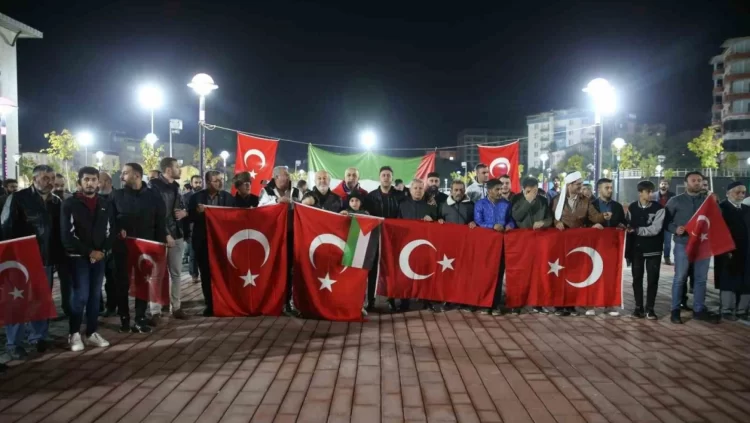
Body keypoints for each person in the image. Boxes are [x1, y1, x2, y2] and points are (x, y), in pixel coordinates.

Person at [1, 165, 62, 359]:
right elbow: (5, 227)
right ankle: (14, 343)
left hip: (46, 259)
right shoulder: (19, 199)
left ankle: (38, 336)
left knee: (41, 299)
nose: (49, 181)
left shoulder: (56, 202)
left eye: (52, 177)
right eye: (45, 177)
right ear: (34, 179)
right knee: (17, 300)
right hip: (21, 260)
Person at [61, 166, 115, 351]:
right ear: (79, 183)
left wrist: (102, 251)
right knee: (80, 296)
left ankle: (91, 332)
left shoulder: (104, 203)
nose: (90, 183)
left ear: (98, 183)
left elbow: (111, 230)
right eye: (86, 180)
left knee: (94, 297)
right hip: (78, 258)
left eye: (93, 179)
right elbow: (67, 236)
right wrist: (89, 252)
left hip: (98, 258)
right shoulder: (70, 204)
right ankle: (74, 333)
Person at [111, 163, 167, 333]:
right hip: (123, 248)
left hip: (146, 248)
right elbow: (109, 220)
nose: (121, 177)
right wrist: (116, 231)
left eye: (125, 173)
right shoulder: (116, 196)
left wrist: (160, 244)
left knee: (143, 282)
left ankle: (140, 318)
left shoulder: (153, 196)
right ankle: (124, 318)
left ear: (137, 175)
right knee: (122, 283)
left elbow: (160, 221)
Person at [665, 171, 718, 324]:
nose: (697, 183)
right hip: (683, 244)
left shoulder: (708, 201)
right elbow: (666, 222)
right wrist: (675, 229)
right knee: (680, 278)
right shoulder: (675, 201)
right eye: (693, 180)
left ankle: (699, 309)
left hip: (703, 245)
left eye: (699, 180)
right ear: (686, 183)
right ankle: (675, 310)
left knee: (701, 279)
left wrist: (715, 202)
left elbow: (717, 219)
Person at [551, 171, 605, 316]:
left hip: (578, 242)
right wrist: (557, 223)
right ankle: (558, 305)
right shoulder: (557, 200)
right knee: (561, 272)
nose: (581, 186)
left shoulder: (585, 201)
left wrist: (602, 218)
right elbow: (552, 217)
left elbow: (593, 216)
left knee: (574, 273)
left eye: (581, 184)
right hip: (561, 242)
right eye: (578, 184)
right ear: (569, 185)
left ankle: (571, 305)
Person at [188, 170, 235, 317]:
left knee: (224, 273)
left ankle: (225, 302)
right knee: (206, 274)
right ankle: (210, 304)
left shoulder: (228, 197)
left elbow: (234, 217)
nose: (220, 182)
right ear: (208, 182)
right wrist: (198, 212)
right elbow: (190, 217)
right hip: (203, 241)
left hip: (223, 242)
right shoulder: (196, 197)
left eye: (221, 179)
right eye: (216, 180)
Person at [148, 158, 189, 323]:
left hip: (177, 234)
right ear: (168, 170)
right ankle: (155, 311)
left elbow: (180, 207)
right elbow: (155, 214)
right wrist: (165, 234)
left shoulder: (176, 187)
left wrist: (185, 213)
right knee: (156, 275)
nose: (180, 169)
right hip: (160, 236)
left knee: (177, 274)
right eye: (177, 167)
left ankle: (176, 307)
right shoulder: (154, 187)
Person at [263, 166, 302, 316]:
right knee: (274, 268)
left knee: (291, 270)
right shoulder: (266, 192)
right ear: (275, 178)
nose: (288, 177)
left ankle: (288, 301)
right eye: (285, 175)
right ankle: (273, 300)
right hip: (274, 237)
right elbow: (261, 209)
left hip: (293, 235)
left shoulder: (297, 192)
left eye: (288, 175)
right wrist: (277, 201)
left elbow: (304, 208)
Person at [366, 166, 406, 311]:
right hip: (375, 238)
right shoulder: (371, 197)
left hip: (393, 238)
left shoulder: (401, 196)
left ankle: (391, 299)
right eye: (383, 175)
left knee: (391, 269)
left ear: (392, 178)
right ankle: (370, 300)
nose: (386, 177)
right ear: (379, 177)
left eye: (389, 175)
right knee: (372, 269)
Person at [511, 177, 553, 315]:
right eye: (529, 191)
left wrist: (543, 223)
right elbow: (516, 216)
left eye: (535, 191)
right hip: (521, 241)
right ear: (523, 190)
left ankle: (538, 303)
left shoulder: (543, 200)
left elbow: (549, 219)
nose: (533, 194)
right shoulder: (516, 199)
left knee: (539, 273)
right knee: (520, 272)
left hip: (539, 241)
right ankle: (517, 302)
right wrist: (528, 202)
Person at [625, 181, 665, 320]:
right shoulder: (632, 207)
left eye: (652, 191)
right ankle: (638, 307)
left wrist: (636, 230)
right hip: (637, 249)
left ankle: (650, 308)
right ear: (640, 193)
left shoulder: (659, 208)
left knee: (652, 279)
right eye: (648, 191)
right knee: (637, 278)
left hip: (653, 248)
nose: (651, 194)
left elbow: (656, 229)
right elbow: (628, 225)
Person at [588, 177, 627, 317]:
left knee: (610, 275)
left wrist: (622, 226)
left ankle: (609, 305)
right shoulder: (592, 205)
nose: (610, 190)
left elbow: (623, 222)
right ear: (599, 189)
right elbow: (585, 224)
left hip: (611, 246)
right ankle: (591, 303)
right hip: (595, 246)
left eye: (611, 188)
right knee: (593, 273)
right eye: (607, 188)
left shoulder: (617, 206)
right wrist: (593, 226)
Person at [474, 178, 515, 315]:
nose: (500, 191)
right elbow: (478, 222)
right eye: (497, 189)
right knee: (485, 274)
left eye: (501, 188)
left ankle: (495, 304)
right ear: (489, 190)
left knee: (499, 274)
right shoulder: (480, 204)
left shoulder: (506, 204)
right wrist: (492, 226)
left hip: (502, 244)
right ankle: (484, 303)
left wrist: (510, 225)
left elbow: (511, 219)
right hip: (486, 245)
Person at [397, 179, 439, 312]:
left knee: (425, 273)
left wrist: (433, 221)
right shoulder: (402, 205)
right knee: (405, 275)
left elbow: (439, 225)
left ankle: (427, 300)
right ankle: (404, 302)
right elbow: (397, 224)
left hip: (424, 246)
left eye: (421, 188)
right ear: (410, 190)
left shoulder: (430, 206)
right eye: (415, 188)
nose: (418, 190)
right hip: (406, 246)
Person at [438, 179, 476, 311]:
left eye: (461, 189)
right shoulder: (444, 205)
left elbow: (476, 221)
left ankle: (465, 299)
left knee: (466, 273)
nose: (458, 192)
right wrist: (440, 221)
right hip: (450, 246)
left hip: (466, 246)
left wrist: (474, 223)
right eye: (456, 189)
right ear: (451, 191)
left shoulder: (471, 205)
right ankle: (449, 299)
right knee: (450, 273)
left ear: (465, 190)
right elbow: (438, 219)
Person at [715, 181, 750, 321]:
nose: (741, 195)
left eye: (743, 192)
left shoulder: (747, 209)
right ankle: (726, 309)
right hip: (727, 251)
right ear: (728, 193)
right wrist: (724, 248)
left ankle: (742, 309)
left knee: (746, 279)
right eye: (738, 192)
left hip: (746, 251)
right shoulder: (721, 208)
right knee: (728, 279)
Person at [97, 171, 117, 316]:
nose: (97, 184)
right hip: (96, 244)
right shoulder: (93, 197)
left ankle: (112, 306)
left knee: (112, 279)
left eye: (99, 181)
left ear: (108, 182)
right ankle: (97, 306)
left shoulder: (118, 197)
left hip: (114, 245)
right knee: (96, 278)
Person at [183, 175, 203, 284]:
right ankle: (194, 274)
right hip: (191, 229)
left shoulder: (204, 195)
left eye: (200, 182)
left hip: (203, 228)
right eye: (196, 182)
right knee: (193, 254)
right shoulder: (185, 197)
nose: (198, 184)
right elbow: (184, 213)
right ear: (191, 183)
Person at [654, 179, 676, 265]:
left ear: (668, 186)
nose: (664, 185)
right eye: (662, 184)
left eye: (666, 184)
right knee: (657, 241)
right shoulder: (654, 195)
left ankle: (667, 257)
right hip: (657, 222)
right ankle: (657, 257)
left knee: (667, 242)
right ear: (659, 185)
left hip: (667, 222)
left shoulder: (672, 196)